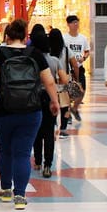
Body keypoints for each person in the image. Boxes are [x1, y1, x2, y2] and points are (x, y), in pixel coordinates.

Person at [0, 18, 60, 210]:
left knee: (5, 150)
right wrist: (55, 102)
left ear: (7, 35)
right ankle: (20, 196)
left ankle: (6, 189)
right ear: (25, 36)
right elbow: (49, 82)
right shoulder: (35, 54)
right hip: (31, 110)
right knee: (23, 154)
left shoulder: (0, 53)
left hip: (4, 110)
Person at [33, 26, 69, 177]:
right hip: (50, 97)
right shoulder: (54, 60)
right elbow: (65, 79)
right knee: (49, 132)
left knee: (36, 131)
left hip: (33, 97)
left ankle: (37, 161)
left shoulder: (31, 60)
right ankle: (48, 164)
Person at [65, 14, 91, 123]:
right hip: (68, 68)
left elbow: (87, 51)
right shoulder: (64, 38)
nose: (76, 24)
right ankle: (67, 114)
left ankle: (74, 109)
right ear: (68, 24)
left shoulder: (83, 38)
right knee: (68, 92)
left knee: (82, 90)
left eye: (77, 22)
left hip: (79, 68)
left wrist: (84, 58)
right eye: (73, 22)